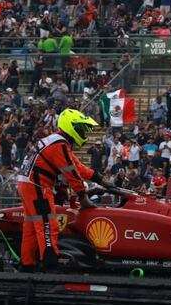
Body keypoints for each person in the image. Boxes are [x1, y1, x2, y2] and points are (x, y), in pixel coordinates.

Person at [16, 109, 109, 272]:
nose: (82, 132)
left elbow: (78, 167)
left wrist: (99, 178)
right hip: (37, 185)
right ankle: (50, 261)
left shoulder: (56, 142)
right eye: (80, 128)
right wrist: (83, 195)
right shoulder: (59, 145)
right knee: (47, 223)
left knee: (31, 226)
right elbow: (71, 172)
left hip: (28, 184)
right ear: (70, 127)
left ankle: (27, 264)